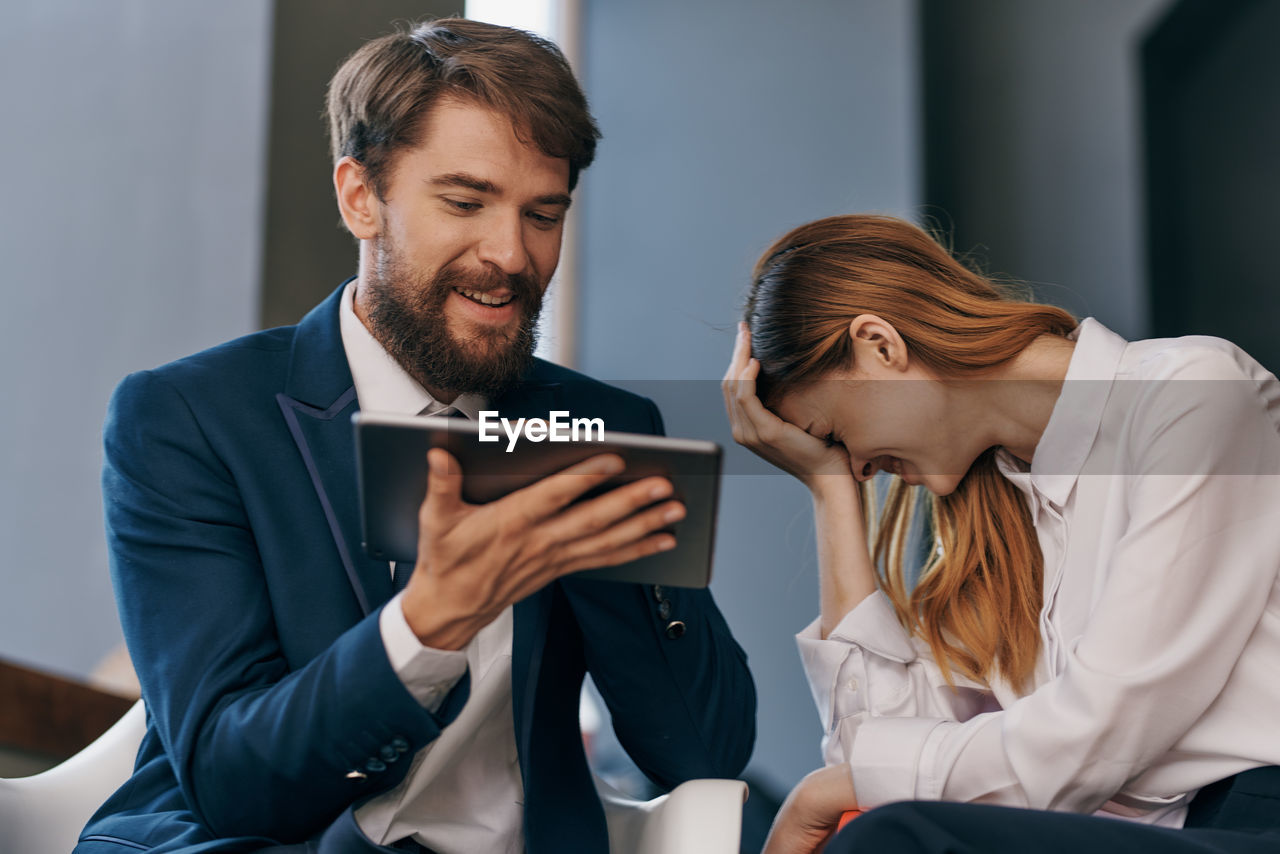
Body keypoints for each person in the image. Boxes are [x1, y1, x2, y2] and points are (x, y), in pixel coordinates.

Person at [78, 19, 755, 854]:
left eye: (543, 214)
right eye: (465, 202)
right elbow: (230, 779)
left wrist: (607, 529)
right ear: (361, 197)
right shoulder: (189, 419)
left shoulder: (604, 426)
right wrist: (427, 626)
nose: (510, 254)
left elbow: (703, 751)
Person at [722, 214, 1280, 853]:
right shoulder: (996, 506)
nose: (860, 470)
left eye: (832, 439)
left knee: (894, 837)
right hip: (1112, 832)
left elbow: (1100, 731)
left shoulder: (1191, 393)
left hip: (1252, 820)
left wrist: (831, 790)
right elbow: (876, 755)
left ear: (881, 344)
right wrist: (829, 492)